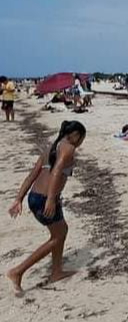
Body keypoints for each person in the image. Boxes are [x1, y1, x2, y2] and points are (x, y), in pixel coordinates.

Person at [6, 121, 86, 295]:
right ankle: (17, 271)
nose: (80, 143)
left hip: (34, 197)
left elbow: (31, 175)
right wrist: (50, 199)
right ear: (76, 135)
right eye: (82, 139)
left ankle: (56, 271)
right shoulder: (68, 148)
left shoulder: (50, 148)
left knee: (60, 232)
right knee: (58, 236)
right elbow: (57, 171)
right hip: (45, 199)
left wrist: (18, 199)